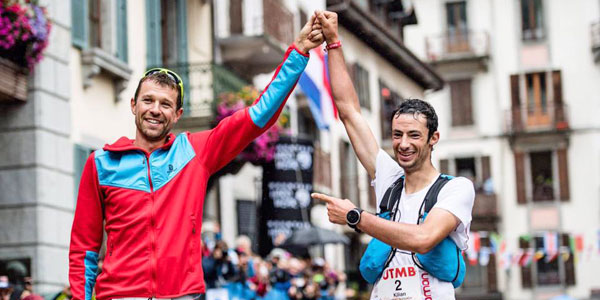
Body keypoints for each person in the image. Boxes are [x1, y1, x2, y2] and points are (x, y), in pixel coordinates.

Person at [68, 13, 325, 300]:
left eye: (165, 104)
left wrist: (299, 51)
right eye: (148, 100)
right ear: (133, 105)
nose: (155, 109)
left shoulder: (195, 151)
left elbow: (258, 115)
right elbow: (84, 250)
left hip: (182, 295)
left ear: (177, 115)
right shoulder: (100, 163)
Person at [311, 11, 475, 300]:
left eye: (414, 135)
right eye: (397, 134)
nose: (403, 144)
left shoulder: (455, 189)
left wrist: (355, 217)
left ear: (433, 139)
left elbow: (423, 239)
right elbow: (348, 111)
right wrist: (333, 43)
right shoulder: (390, 179)